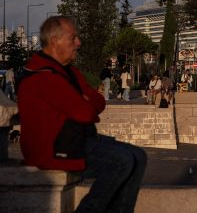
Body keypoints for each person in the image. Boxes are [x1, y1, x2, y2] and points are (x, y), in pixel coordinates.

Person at [17, 16, 146, 212]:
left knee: (139, 155)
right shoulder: (42, 76)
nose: (79, 43)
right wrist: (84, 104)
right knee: (122, 161)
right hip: (53, 150)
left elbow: (98, 102)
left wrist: (84, 104)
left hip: (76, 140)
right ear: (55, 41)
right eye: (73, 38)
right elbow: (86, 113)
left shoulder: (69, 72)